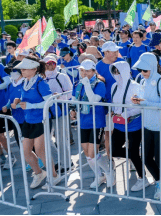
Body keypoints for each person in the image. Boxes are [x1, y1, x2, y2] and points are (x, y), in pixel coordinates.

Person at [131, 52, 161, 202]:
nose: (142, 73)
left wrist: (143, 102)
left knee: (160, 159)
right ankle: (159, 183)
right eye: (140, 70)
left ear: (152, 67)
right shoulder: (143, 82)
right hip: (148, 124)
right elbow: (145, 100)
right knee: (146, 158)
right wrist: (137, 100)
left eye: (145, 70)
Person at [14, 57, 60, 189]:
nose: (21, 70)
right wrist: (18, 101)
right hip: (28, 120)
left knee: (41, 151)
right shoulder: (24, 82)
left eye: (24, 68)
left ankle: (54, 176)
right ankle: (39, 173)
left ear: (34, 69)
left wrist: (30, 106)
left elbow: (49, 101)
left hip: (41, 120)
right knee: (25, 151)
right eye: (21, 68)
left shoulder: (41, 83)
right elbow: (25, 98)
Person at [70, 59, 113, 189]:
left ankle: (109, 173)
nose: (85, 73)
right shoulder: (78, 83)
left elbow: (94, 100)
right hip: (83, 121)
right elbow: (74, 99)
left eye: (88, 71)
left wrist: (87, 84)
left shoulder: (99, 84)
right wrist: (72, 109)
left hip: (97, 121)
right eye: (83, 70)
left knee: (93, 153)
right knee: (87, 153)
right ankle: (99, 175)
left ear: (94, 71)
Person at [109, 61, 148, 191]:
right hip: (119, 124)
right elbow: (115, 103)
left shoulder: (135, 86)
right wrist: (114, 111)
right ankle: (137, 157)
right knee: (114, 150)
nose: (116, 74)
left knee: (133, 151)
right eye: (114, 71)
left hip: (134, 124)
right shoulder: (114, 86)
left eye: (118, 71)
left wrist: (128, 113)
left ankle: (143, 178)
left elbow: (140, 106)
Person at [43, 55, 74, 173]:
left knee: (61, 138)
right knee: (47, 138)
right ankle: (57, 160)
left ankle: (66, 164)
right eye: (47, 64)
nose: (50, 66)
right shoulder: (42, 78)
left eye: (52, 63)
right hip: (47, 112)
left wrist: (58, 96)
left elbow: (70, 93)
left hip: (61, 110)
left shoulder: (62, 76)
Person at [97, 41, 122, 154]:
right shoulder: (98, 66)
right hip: (107, 106)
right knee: (108, 134)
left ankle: (131, 160)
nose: (117, 53)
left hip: (123, 104)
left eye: (117, 51)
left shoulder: (122, 63)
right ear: (106, 52)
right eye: (114, 52)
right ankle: (109, 159)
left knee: (125, 132)